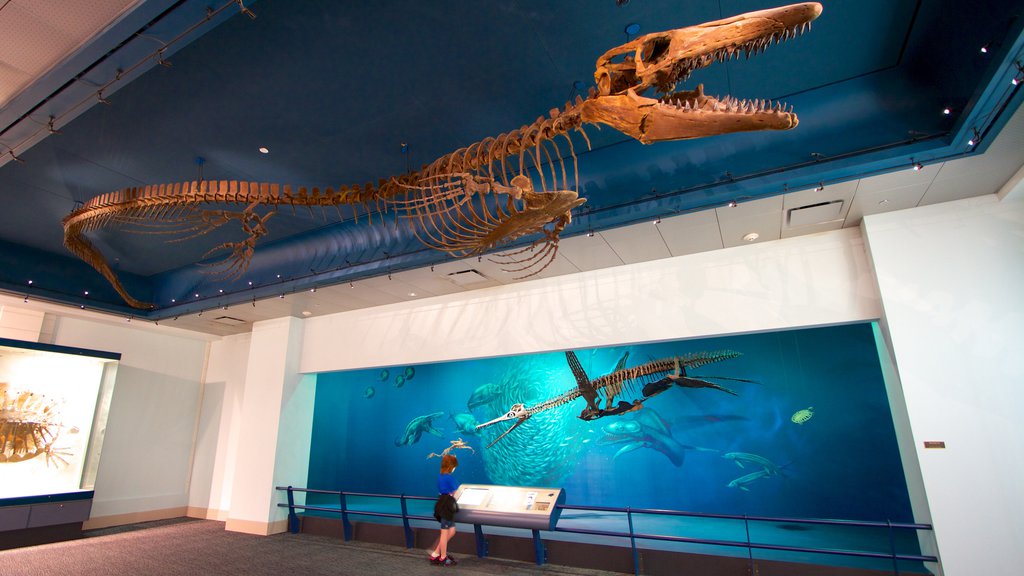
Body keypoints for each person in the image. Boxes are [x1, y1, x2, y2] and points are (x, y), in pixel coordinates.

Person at [430, 453, 459, 566]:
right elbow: (457, 490)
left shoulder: (440, 476)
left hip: (441, 502)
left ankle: (436, 554)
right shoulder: (449, 477)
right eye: (454, 466)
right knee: (444, 532)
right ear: (451, 466)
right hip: (447, 505)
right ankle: (443, 557)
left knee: (451, 531)